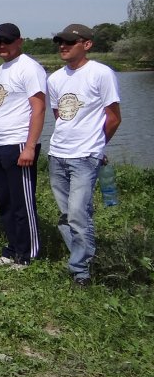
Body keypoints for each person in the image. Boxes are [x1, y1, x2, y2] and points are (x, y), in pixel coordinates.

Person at [47, 24, 121, 287]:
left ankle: (81, 271)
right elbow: (60, 116)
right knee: (66, 215)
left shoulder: (101, 73)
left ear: (87, 44)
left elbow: (113, 117)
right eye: (60, 42)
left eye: (70, 42)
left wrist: (97, 146)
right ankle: (80, 258)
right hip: (57, 155)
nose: (63, 46)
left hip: (85, 157)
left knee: (79, 213)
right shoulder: (54, 79)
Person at [0, 23, 46, 269]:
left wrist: (30, 146)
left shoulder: (29, 68)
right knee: (6, 202)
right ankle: (12, 250)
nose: (2, 45)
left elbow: (39, 108)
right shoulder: (0, 71)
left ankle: (27, 254)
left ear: (19, 41)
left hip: (19, 143)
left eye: (7, 41)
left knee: (22, 203)